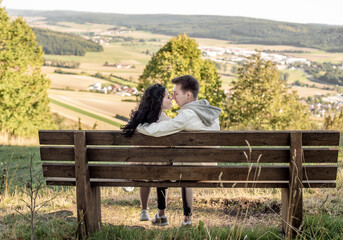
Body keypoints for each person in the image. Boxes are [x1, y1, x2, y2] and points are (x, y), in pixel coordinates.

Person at [137, 75, 221, 226]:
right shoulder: (211, 114)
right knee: (178, 161)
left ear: (188, 95)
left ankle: (161, 214)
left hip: (190, 170)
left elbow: (157, 130)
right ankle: (186, 219)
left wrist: (137, 125)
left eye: (176, 93)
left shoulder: (186, 116)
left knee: (163, 163)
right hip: (210, 168)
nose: (173, 97)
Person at [121, 83, 172, 226]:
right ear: (159, 102)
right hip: (162, 172)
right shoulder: (168, 123)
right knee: (160, 166)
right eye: (168, 97)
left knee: (146, 165)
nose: (171, 99)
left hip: (137, 171)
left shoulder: (136, 122)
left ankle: (144, 210)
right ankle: (161, 214)